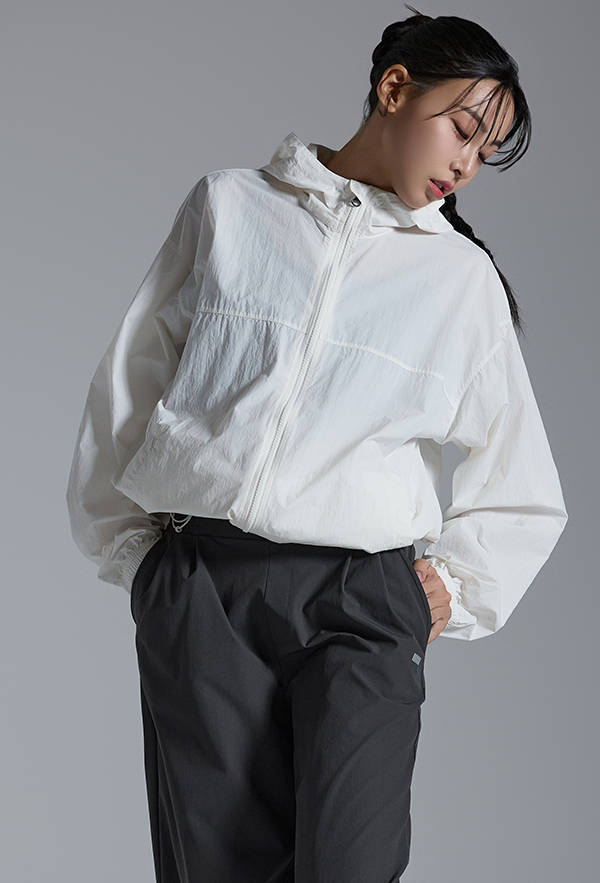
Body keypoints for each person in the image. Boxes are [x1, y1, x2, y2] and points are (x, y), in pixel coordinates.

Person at [66, 7, 568, 882]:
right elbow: (131, 381)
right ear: (395, 88)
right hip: (206, 588)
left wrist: (453, 586)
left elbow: (522, 481)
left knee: (350, 864)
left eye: (486, 153)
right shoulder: (230, 206)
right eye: (464, 130)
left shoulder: (461, 281)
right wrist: (141, 561)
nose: (466, 165)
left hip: (361, 601)